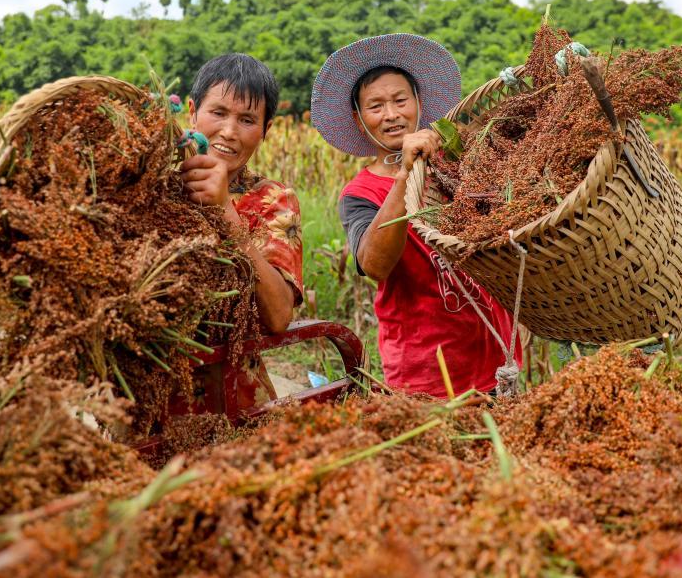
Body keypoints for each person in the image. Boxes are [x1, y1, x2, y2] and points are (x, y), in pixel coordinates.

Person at [311, 33, 520, 397]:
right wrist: (406, 174)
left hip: (499, 363)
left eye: (399, 100)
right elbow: (374, 265)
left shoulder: (459, 167)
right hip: (427, 376)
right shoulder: (359, 194)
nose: (391, 114)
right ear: (360, 122)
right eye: (375, 106)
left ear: (418, 104)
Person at [177, 53, 302, 407]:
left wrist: (224, 211)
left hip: (236, 401)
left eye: (247, 119)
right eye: (218, 113)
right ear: (192, 111)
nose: (229, 132)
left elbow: (278, 316)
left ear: (266, 131)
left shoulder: (272, 201)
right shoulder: (154, 189)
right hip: (146, 406)